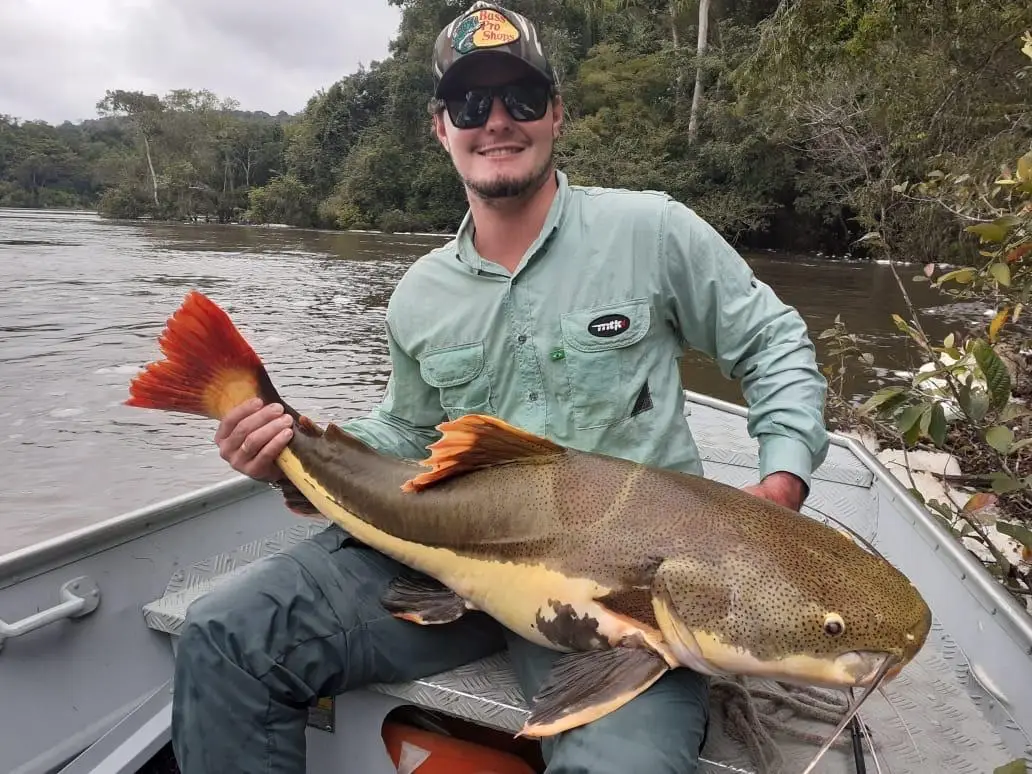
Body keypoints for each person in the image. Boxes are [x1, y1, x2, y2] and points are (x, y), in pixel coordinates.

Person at [170, 2, 830, 772]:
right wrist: (288, 451)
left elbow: (772, 342)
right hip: (448, 560)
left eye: (520, 98)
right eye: (469, 103)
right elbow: (410, 431)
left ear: (555, 113)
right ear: (440, 127)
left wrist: (780, 484)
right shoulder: (420, 293)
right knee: (226, 636)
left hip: (631, 599)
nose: (496, 121)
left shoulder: (652, 232)